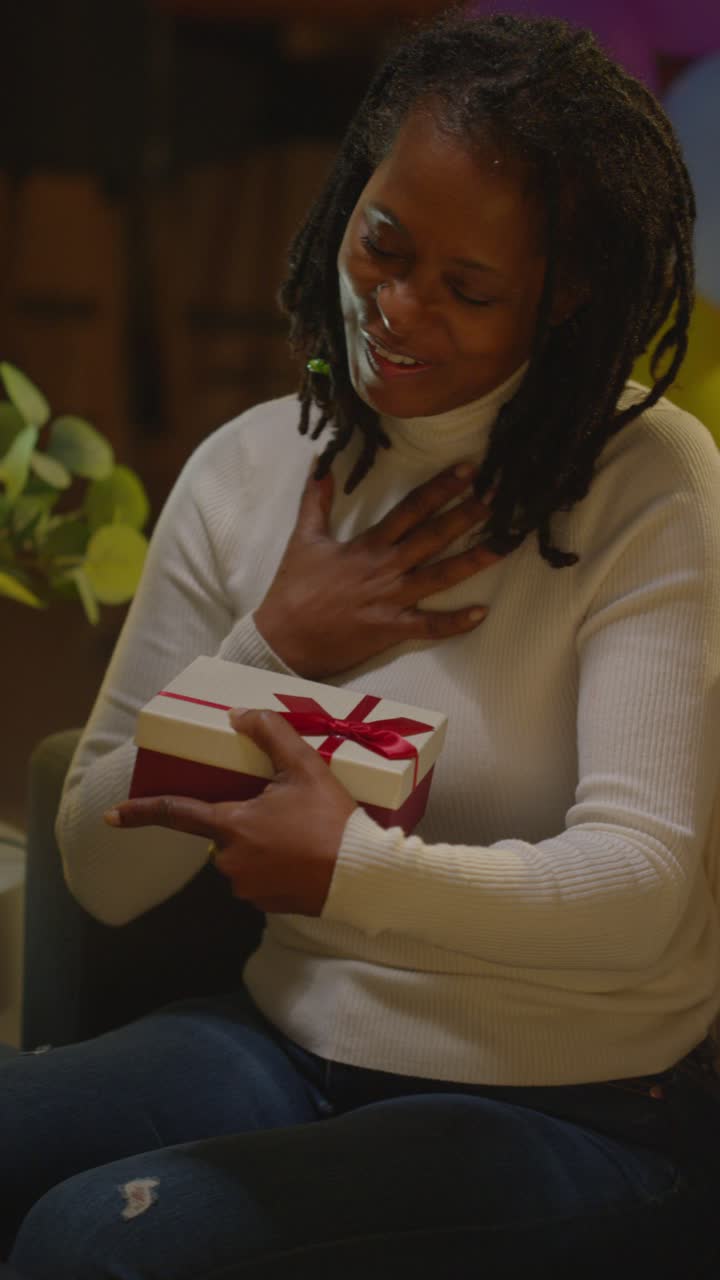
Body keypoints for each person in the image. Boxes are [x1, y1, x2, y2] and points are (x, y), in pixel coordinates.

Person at [3, 9, 720, 1278]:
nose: (394, 307)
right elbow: (99, 871)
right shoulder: (249, 467)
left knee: (89, 1244)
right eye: (382, 243)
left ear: (565, 296)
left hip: (571, 1100)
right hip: (280, 1040)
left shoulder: (646, 482)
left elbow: (641, 888)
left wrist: (351, 867)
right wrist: (276, 639)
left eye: (468, 288)